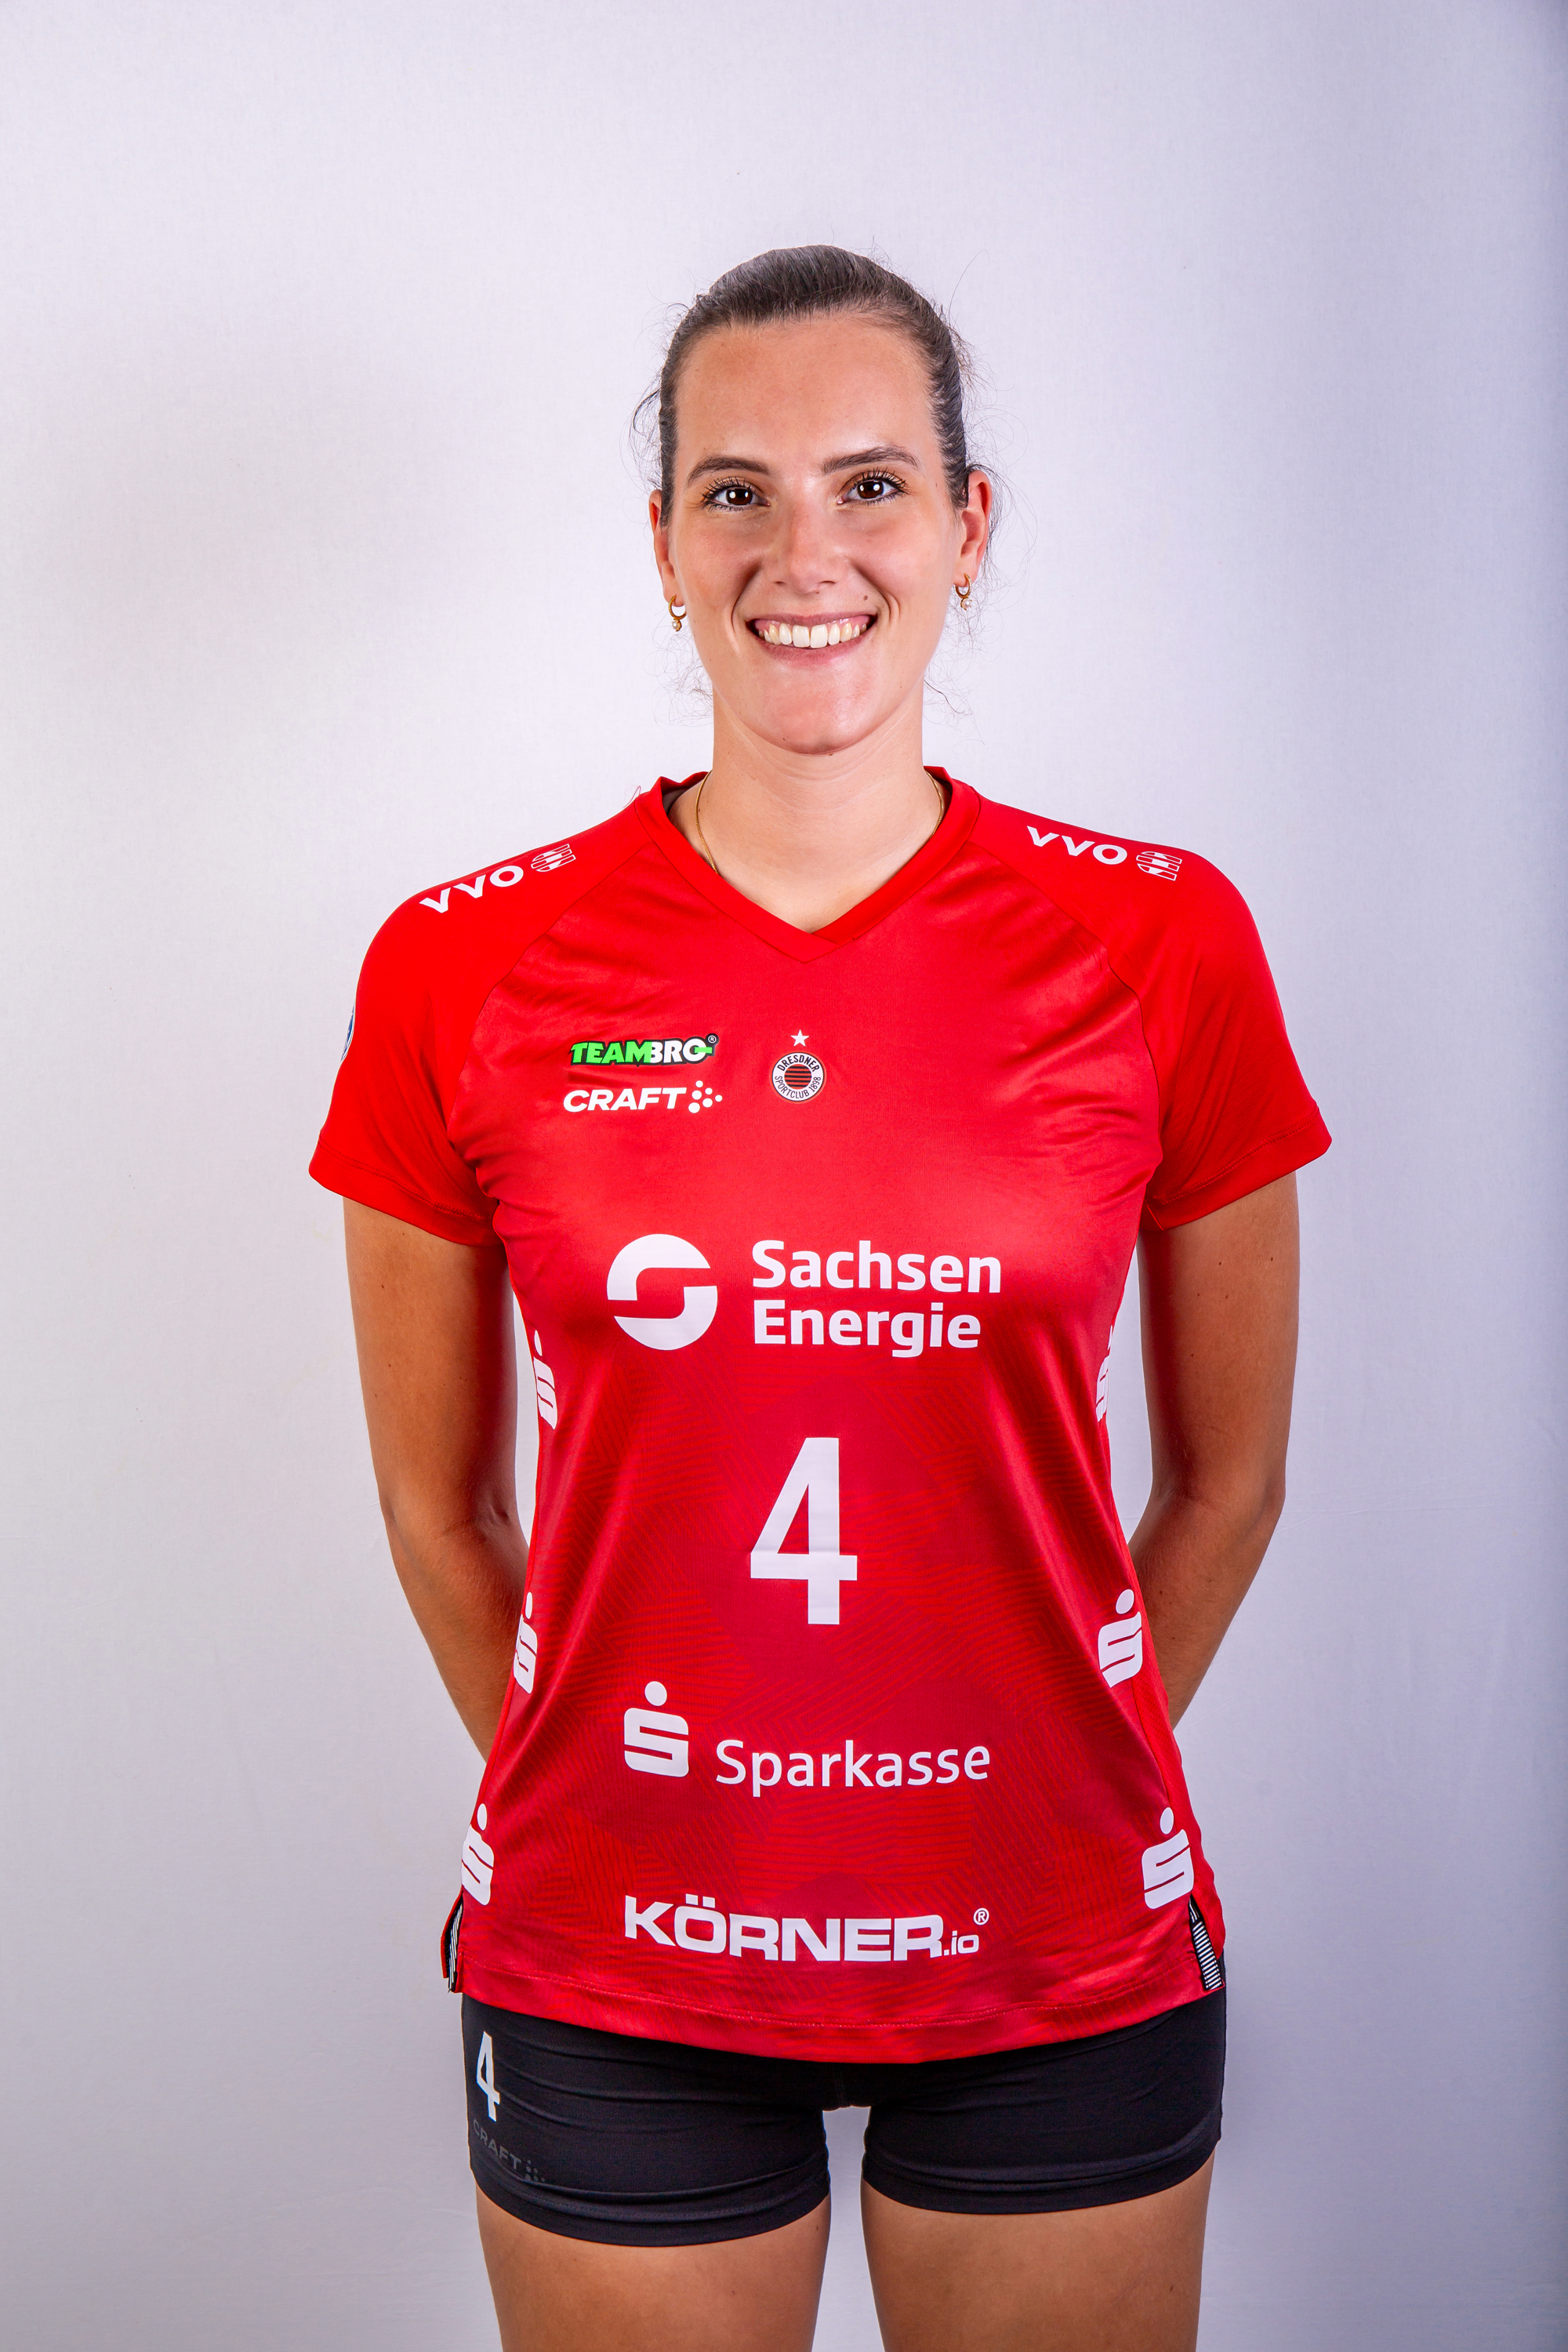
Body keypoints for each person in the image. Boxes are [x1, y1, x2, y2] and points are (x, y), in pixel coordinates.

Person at [310, 245, 1329, 2352]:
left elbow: (1230, 1484)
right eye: (737, 491)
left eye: (872, 485)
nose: (807, 553)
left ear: (967, 525)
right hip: (618, 1945)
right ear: (664, 544)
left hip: (1056, 1940)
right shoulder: (459, 964)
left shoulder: (1162, 942)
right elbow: (437, 1510)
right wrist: (618, 1792)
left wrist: (1042, 1781)